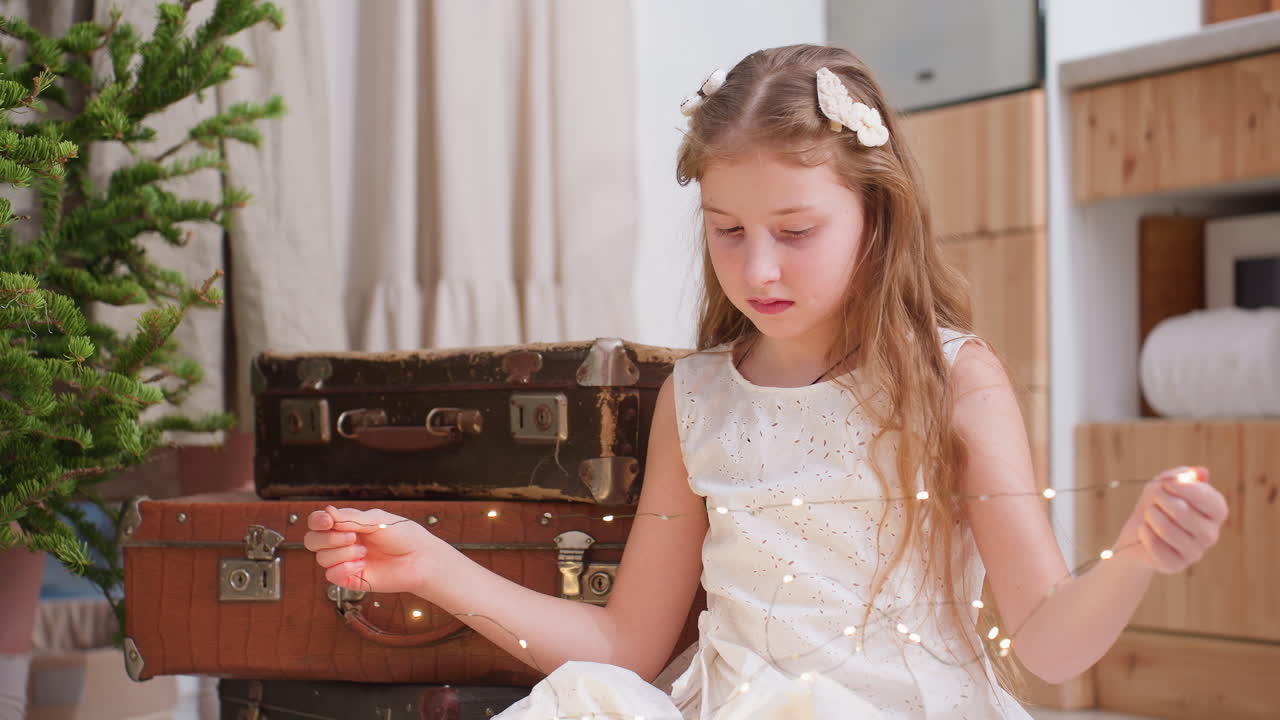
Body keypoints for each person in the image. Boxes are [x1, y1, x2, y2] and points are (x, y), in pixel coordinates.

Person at [304, 44, 1229, 719]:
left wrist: (1139, 554)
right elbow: (627, 648)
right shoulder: (698, 398)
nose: (759, 272)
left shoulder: (956, 381)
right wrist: (436, 566)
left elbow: (1050, 647)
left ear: (878, 212)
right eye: (726, 230)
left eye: (795, 231)